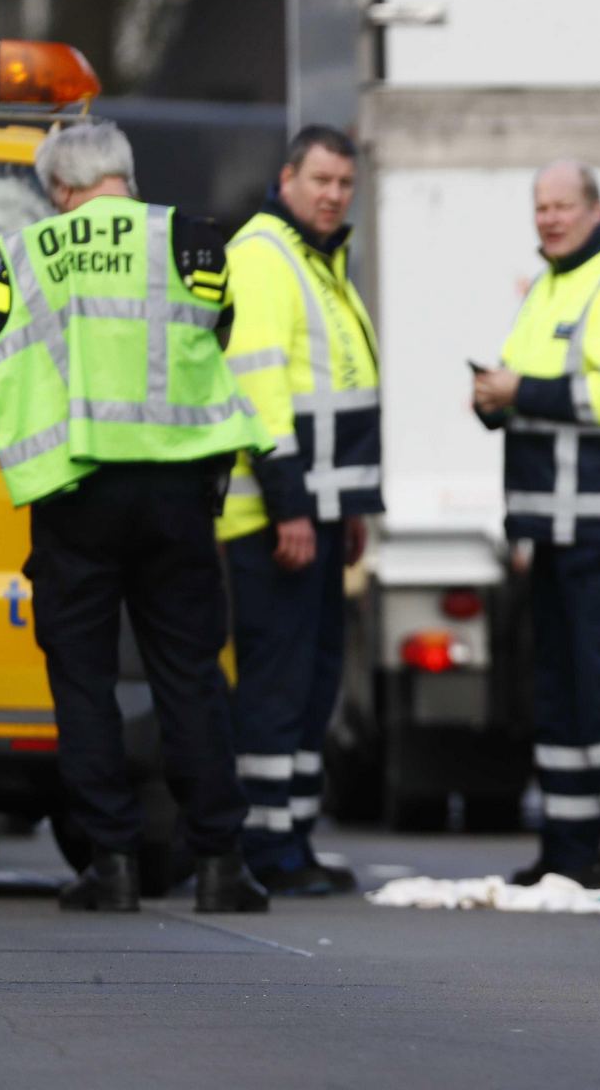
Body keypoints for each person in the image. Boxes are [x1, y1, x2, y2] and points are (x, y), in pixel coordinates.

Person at [0, 122, 271, 912]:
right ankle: (220, 865)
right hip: (177, 492)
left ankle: (112, 863)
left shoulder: (30, 254)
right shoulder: (194, 241)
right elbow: (218, 332)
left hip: (78, 495)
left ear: (60, 188)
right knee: (189, 676)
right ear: (125, 176)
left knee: (85, 682)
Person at [474, 160, 600, 889]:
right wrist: (496, 399)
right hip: (550, 524)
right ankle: (568, 844)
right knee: (557, 688)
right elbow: (535, 390)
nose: (551, 218)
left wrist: (519, 391)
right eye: (541, 207)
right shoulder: (550, 286)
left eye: (563, 205)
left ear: (595, 209)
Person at [219, 126, 381, 895]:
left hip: (314, 513)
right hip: (272, 518)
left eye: (345, 184)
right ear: (286, 177)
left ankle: (294, 840)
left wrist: (345, 508)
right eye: (321, 179)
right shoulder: (263, 255)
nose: (332, 195)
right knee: (278, 686)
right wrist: (289, 504)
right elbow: (259, 390)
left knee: (313, 685)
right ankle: (263, 846)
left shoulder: (317, 261)